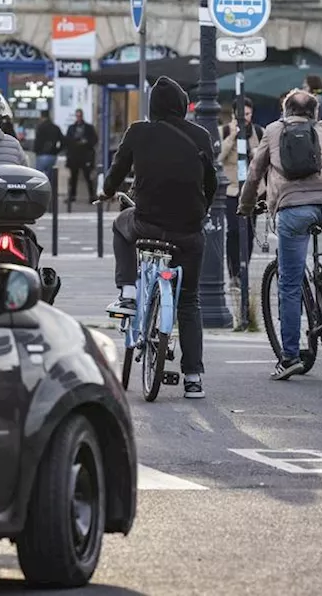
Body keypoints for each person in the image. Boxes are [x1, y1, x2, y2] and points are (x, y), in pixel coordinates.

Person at [98, 77, 216, 400]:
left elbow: (117, 171)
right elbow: (212, 182)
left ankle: (129, 292)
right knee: (189, 299)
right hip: (189, 232)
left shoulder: (138, 132)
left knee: (120, 226)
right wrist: (200, 210)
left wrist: (107, 191)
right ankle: (193, 378)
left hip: (146, 224)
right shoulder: (201, 136)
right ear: (182, 106)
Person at [239, 88, 322, 380]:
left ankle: (290, 356)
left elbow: (256, 173)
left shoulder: (272, 131)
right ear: (314, 113)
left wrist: (245, 205)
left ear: (285, 110)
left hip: (292, 211)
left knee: (290, 286)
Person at [220, 98, 262, 287]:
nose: (245, 118)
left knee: (249, 232)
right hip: (231, 189)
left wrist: (255, 153)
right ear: (233, 115)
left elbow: (264, 159)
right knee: (234, 231)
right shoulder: (225, 131)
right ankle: (233, 273)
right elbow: (219, 157)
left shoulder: (258, 132)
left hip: (252, 190)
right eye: (241, 114)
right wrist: (232, 138)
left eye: (248, 114)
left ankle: (244, 269)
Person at [65, 109, 99, 204]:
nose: (78, 118)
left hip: (85, 155)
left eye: (80, 116)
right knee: (73, 178)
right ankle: (72, 196)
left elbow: (94, 139)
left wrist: (86, 142)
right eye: (77, 116)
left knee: (88, 177)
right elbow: (67, 140)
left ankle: (92, 196)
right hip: (74, 156)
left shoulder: (88, 128)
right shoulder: (72, 128)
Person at [33, 110, 64, 176]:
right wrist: (57, 151)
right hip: (52, 156)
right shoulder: (56, 128)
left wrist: (36, 150)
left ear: (41, 117)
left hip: (41, 155)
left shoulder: (40, 127)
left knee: (38, 177)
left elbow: (37, 142)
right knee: (50, 177)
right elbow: (63, 141)